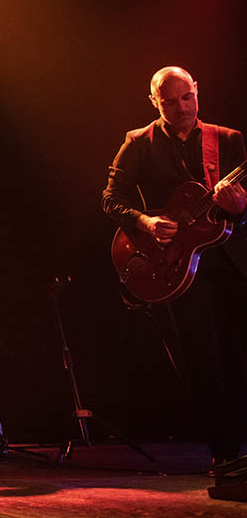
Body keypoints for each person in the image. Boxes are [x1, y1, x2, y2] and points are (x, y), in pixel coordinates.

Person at [102, 66, 247, 468]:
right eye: (169, 101)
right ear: (154, 102)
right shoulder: (139, 143)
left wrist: (241, 209)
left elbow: (243, 207)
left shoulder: (228, 140)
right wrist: (145, 221)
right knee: (203, 359)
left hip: (232, 261)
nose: (181, 107)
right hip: (179, 267)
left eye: (187, 97)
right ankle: (224, 453)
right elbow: (111, 199)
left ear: (197, 91)